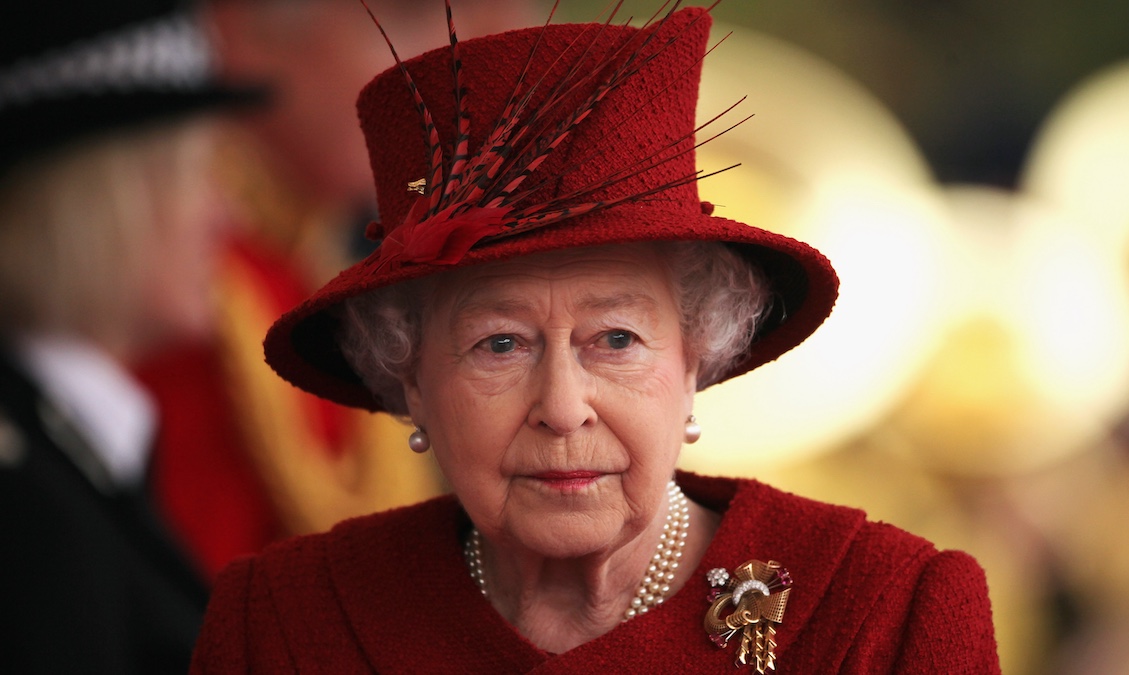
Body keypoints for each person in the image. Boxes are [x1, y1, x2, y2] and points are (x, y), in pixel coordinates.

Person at [190, 4, 1001, 673]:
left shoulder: (887, 613)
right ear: (411, 380)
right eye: (500, 343)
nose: (562, 406)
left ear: (696, 355)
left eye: (615, 337)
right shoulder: (283, 622)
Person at [135, 0, 539, 581]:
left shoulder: (316, 258)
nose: (457, 65)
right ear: (240, 35)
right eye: (410, 16)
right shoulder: (176, 294)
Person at [0, 0, 262, 672]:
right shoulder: (28, 509)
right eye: (197, 174)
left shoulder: (66, 449)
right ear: (103, 201)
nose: (225, 214)